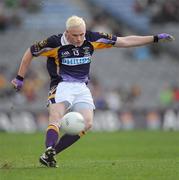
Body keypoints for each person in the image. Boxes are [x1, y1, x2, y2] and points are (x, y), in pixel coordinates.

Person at [11, 15, 174, 168]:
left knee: (87, 123)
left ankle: (50, 155)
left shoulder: (92, 38)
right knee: (56, 118)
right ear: (67, 33)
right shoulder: (54, 42)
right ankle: (49, 147)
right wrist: (20, 77)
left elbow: (125, 41)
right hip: (61, 85)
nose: (80, 39)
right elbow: (30, 51)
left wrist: (154, 38)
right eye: (75, 35)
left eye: (82, 34)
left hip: (82, 87)